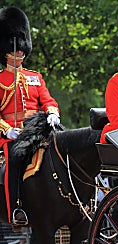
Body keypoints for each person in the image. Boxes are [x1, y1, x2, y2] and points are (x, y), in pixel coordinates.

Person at [0, 6, 60, 226]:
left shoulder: (35, 77)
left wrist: (53, 113)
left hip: (38, 130)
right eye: (14, 47)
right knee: (15, 158)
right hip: (13, 135)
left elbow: (48, 100)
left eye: (21, 47)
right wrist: (7, 129)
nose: (18, 51)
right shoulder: (1, 79)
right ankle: (16, 207)